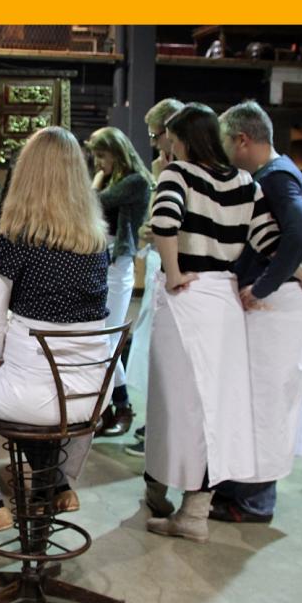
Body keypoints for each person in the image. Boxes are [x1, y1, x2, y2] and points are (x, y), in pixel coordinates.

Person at [0, 126, 111, 534]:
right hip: (88, 398)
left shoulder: (13, 242)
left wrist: (0, 360)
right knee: (33, 393)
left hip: (33, 393)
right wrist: (8, 362)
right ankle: (56, 485)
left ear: (25, 177)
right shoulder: (97, 244)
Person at [143, 103, 282, 543]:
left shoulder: (178, 174)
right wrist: (299, 276)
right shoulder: (244, 182)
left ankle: (167, 499)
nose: (169, 149)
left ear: (186, 140)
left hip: (187, 298)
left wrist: (173, 272)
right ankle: (194, 512)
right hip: (224, 302)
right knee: (214, 409)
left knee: (175, 407)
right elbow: (270, 240)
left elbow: (163, 223)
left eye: (172, 141)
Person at [214, 100, 302, 523]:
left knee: (265, 404)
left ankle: (254, 502)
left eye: (224, 141)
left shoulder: (275, 178)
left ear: (242, 139)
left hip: (272, 310)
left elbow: (301, 232)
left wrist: (264, 286)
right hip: (273, 306)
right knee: (258, 401)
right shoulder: (278, 173)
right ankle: (244, 493)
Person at [122, 98, 184, 457]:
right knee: (151, 352)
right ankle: (157, 424)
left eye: (155, 135)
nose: (154, 143)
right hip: (162, 270)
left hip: (178, 276)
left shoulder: (186, 172)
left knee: (168, 355)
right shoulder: (164, 169)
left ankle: (165, 432)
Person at [86, 127, 154, 438]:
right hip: (101, 262)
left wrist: (97, 179)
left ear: (117, 152)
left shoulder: (135, 182)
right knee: (100, 340)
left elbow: (92, 203)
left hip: (117, 266)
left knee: (107, 340)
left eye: (102, 156)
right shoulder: (115, 179)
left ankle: (121, 406)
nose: (99, 163)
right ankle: (105, 410)